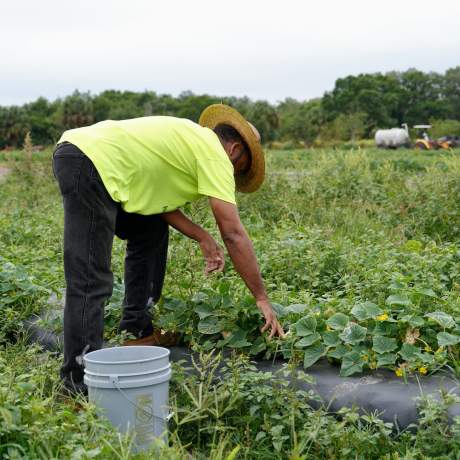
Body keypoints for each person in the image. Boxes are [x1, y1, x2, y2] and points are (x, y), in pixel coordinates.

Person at [52, 104, 284, 394]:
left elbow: (159, 206)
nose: (235, 174)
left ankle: (137, 330)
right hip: (87, 161)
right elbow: (234, 234)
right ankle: (76, 386)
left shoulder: (192, 142)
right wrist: (261, 297)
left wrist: (201, 236)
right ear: (235, 150)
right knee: (90, 278)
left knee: (150, 229)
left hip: (92, 157)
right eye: (239, 168)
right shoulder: (215, 155)